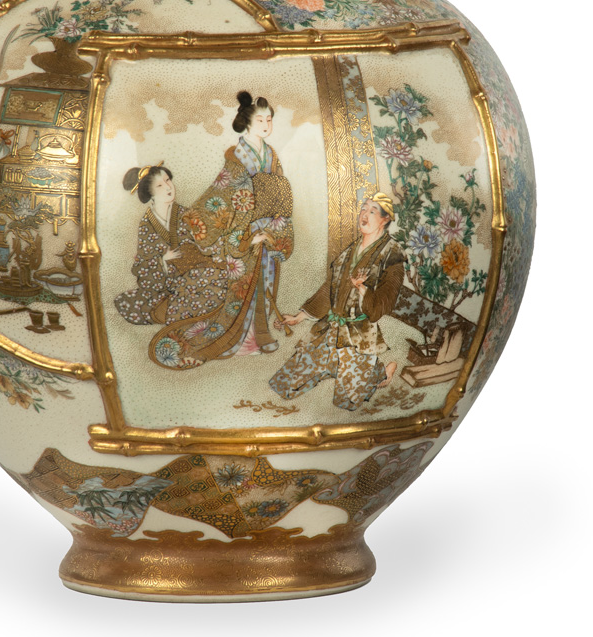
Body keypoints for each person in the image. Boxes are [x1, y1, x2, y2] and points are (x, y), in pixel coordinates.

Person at [148, 91, 294, 370]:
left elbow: (281, 194)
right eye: (260, 119)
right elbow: (228, 195)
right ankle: (233, 340)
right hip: (241, 231)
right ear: (247, 122)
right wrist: (247, 236)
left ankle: (259, 337)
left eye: (269, 120)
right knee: (241, 287)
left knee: (266, 282)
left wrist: (274, 228)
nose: (266, 125)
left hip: (268, 227)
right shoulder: (237, 156)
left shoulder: (272, 155)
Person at [267, 194, 403, 411]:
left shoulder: (392, 255)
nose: (364, 214)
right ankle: (341, 366)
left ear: (385, 219)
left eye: (372, 211)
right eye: (363, 208)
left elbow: (383, 305)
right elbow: (329, 289)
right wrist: (299, 317)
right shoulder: (350, 251)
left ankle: (380, 373)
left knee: (346, 403)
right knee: (284, 385)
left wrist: (361, 288)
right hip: (331, 330)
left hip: (358, 336)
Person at [113, 164, 229, 329]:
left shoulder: (185, 213)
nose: (168, 187)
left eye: (168, 180)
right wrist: (163, 260)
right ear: (150, 194)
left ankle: (176, 308)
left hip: (197, 272)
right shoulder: (146, 225)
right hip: (166, 281)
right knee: (127, 303)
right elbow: (144, 262)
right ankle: (176, 306)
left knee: (216, 281)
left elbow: (209, 241)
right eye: (160, 185)